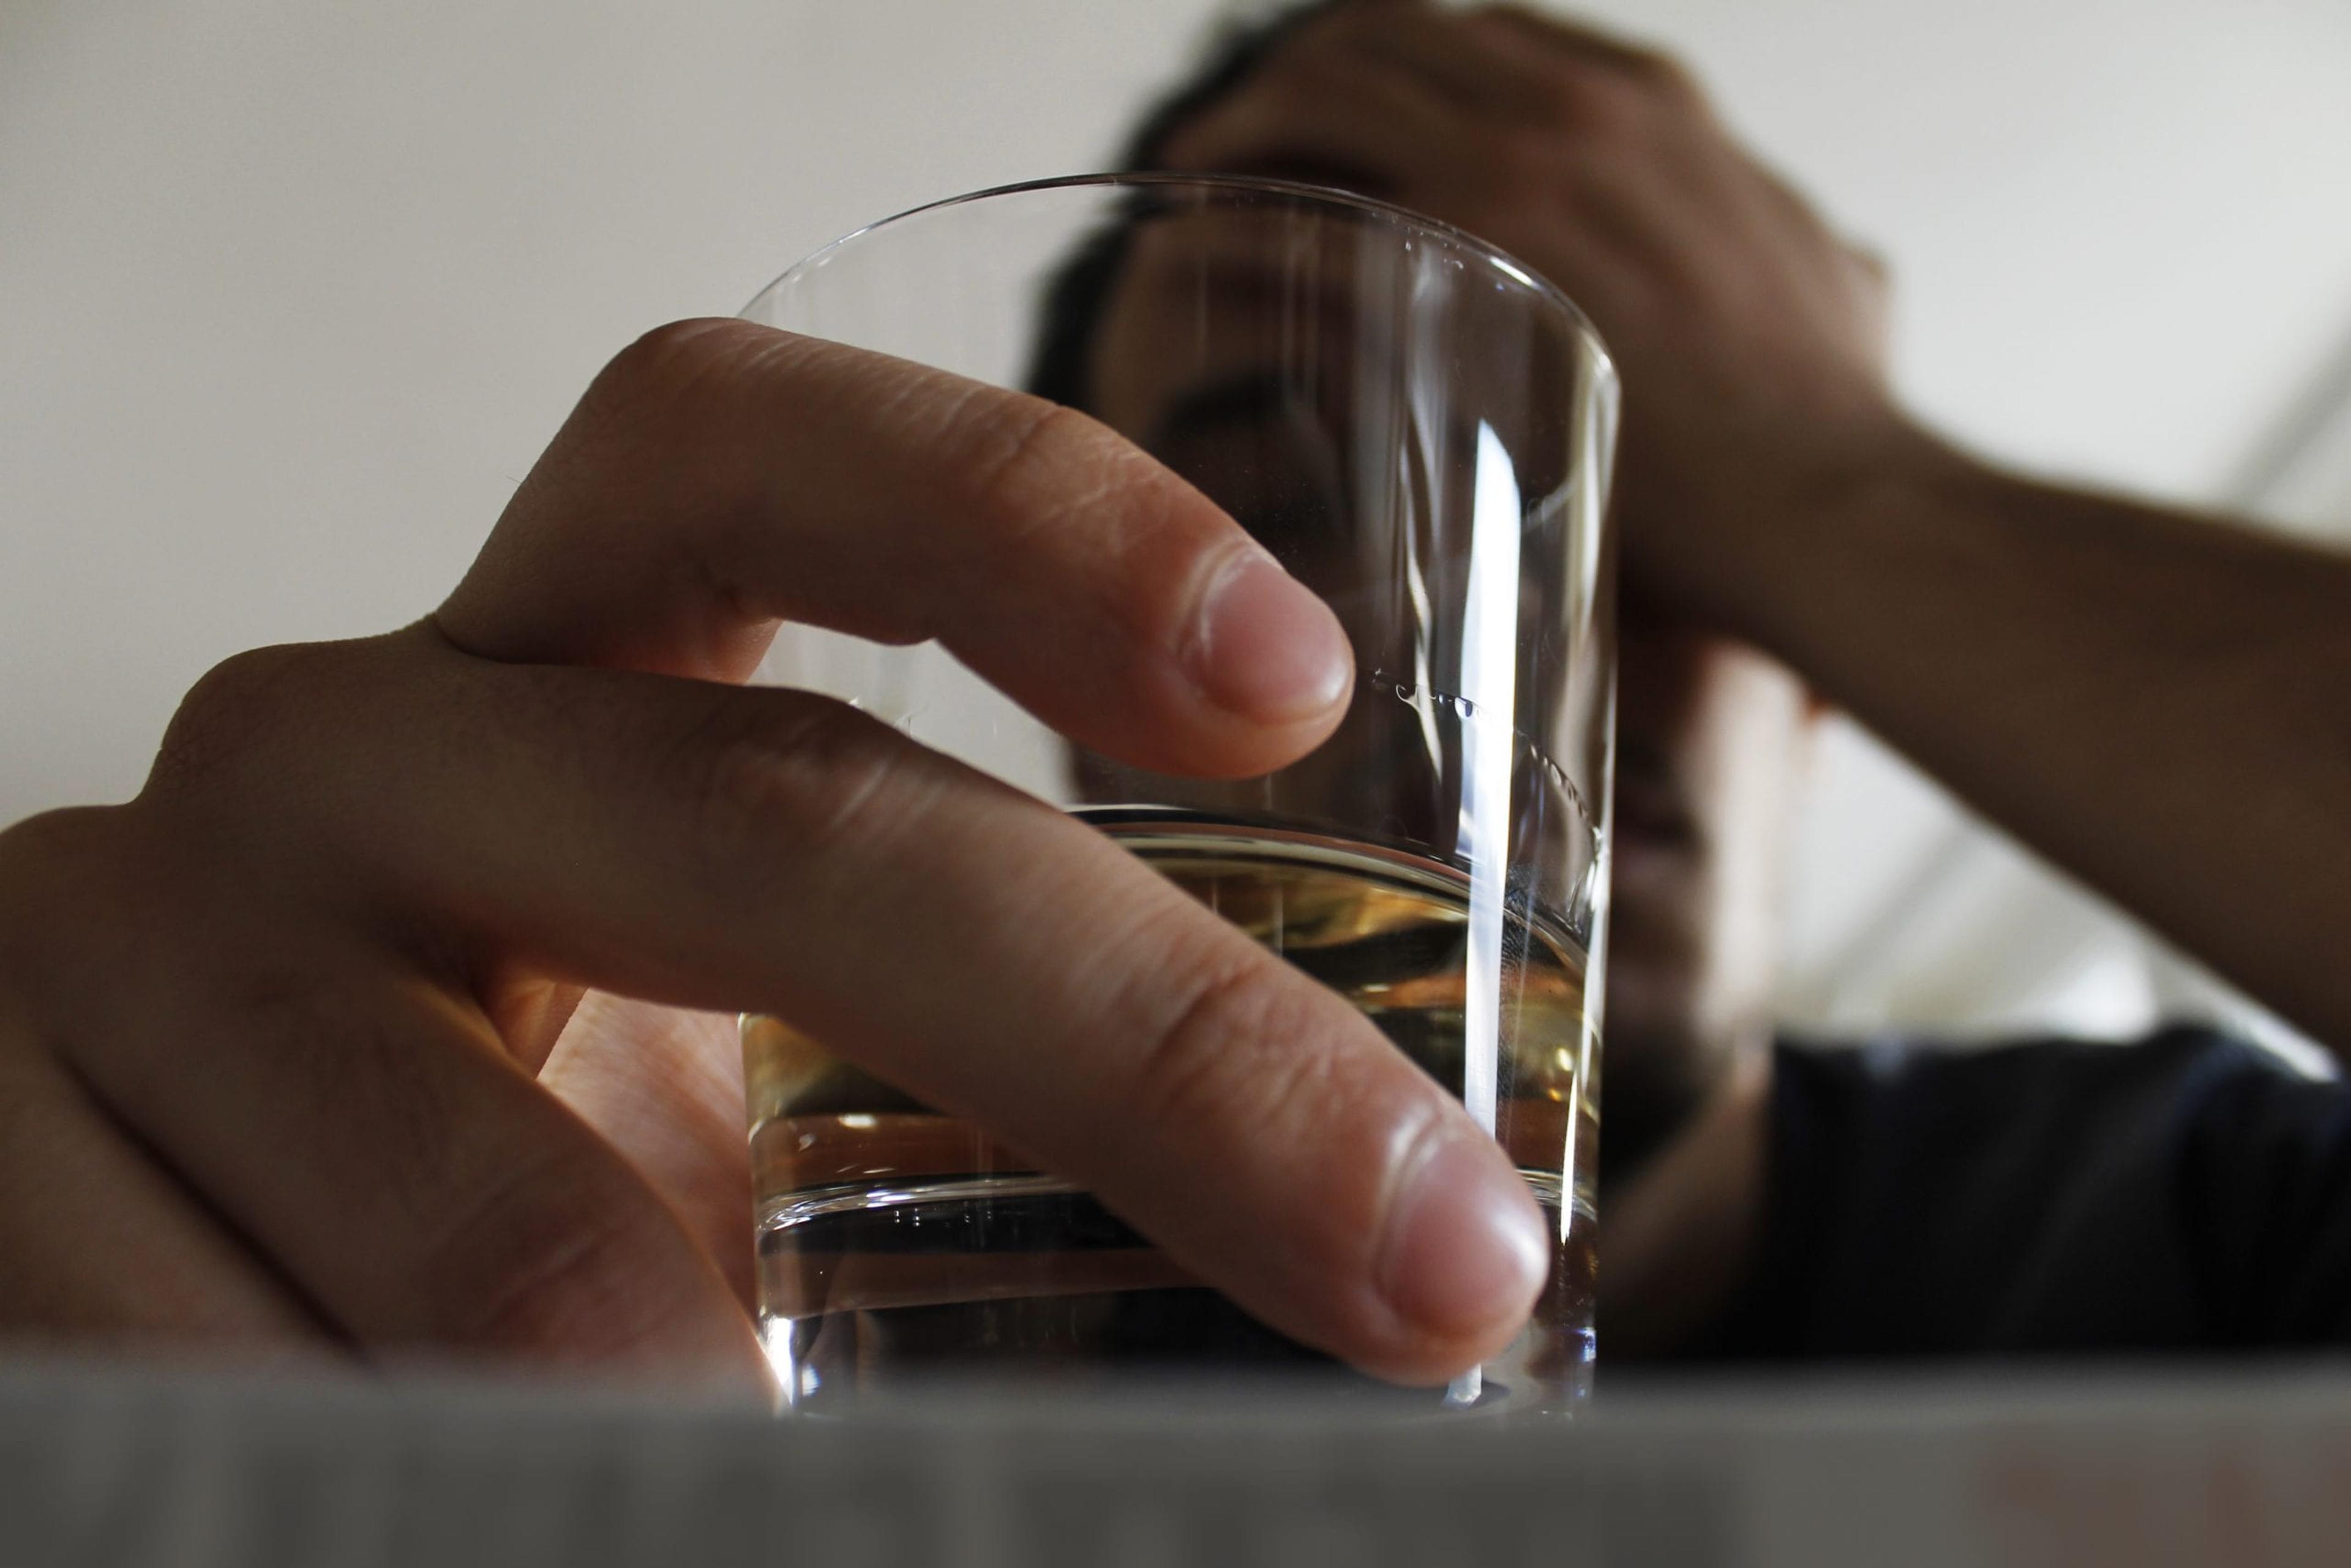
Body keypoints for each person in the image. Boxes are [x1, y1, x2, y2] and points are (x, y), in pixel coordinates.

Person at [2, 0, 2347, 1387]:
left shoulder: (2195, 1205)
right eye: (1278, 504)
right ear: (1077, 679)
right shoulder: (870, 1294)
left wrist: (1860, 486)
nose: (1544, 664)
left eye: (1672, 518)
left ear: (1838, 686)